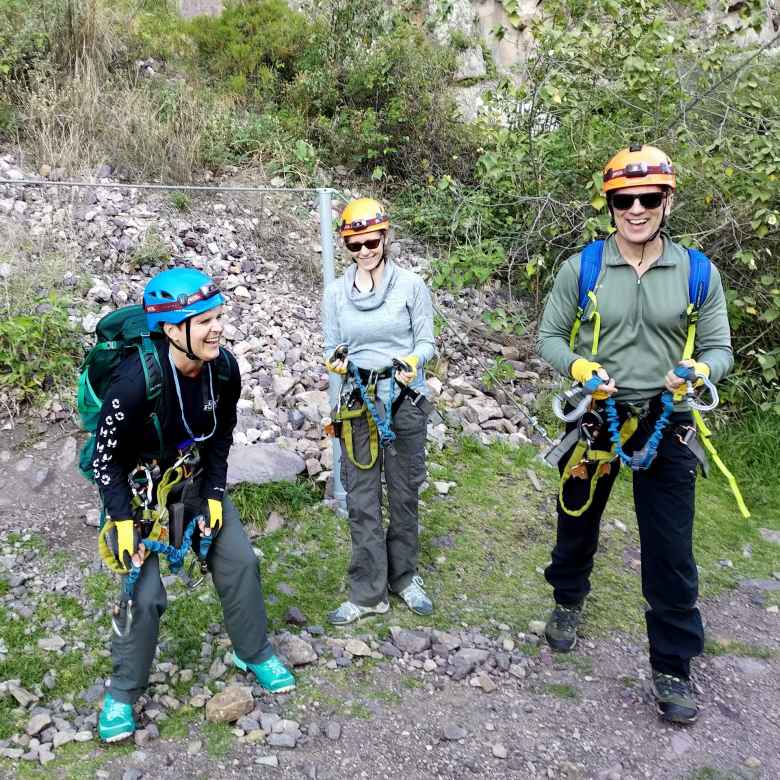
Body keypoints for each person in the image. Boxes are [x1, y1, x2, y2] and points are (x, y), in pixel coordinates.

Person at [536, 144, 733, 724]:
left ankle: (672, 664)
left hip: (668, 421)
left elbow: (719, 348)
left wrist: (700, 371)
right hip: (600, 414)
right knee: (576, 520)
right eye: (625, 199)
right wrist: (577, 368)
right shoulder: (585, 268)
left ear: (667, 201)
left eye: (649, 198)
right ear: (611, 204)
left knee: (672, 550)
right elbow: (550, 335)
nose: (637, 209)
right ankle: (568, 599)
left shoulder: (698, 272)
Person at [94, 268, 294, 743]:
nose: (217, 328)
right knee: (143, 593)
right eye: (203, 320)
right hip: (139, 493)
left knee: (240, 560)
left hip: (194, 479)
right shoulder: (134, 382)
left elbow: (221, 437)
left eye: (218, 316)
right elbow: (105, 460)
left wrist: (216, 494)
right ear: (172, 329)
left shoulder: (223, 369)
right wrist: (122, 520)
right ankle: (122, 693)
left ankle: (254, 650)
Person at [322, 197, 436, 625]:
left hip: (403, 399)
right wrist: (334, 364)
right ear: (346, 246)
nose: (366, 251)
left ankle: (404, 577)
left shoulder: (410, 286)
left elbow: (427, 342)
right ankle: (369, 591)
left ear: (386, 237)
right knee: (362, 498)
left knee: (405, 493)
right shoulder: (336, 293)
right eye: (356, 245)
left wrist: (414, 360)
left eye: (372, 241)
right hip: (358, 402)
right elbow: (332, 345)